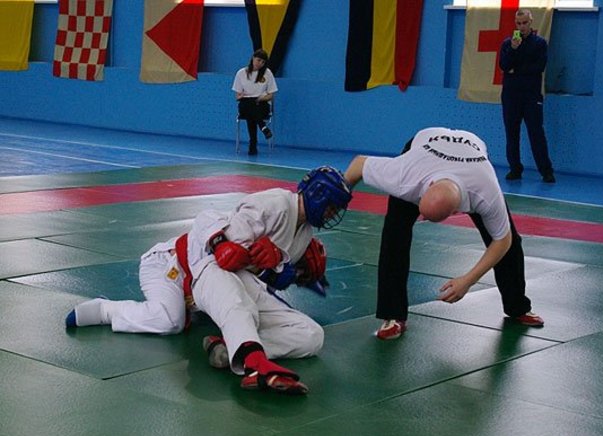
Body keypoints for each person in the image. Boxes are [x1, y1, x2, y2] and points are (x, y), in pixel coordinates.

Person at [65, 166, 353, 395]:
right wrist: (229, 246)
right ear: (318, 194)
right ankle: (105, 310)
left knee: (311, 335)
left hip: (221, 281)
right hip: (175, 266)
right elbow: (223, 251)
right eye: (332, 206)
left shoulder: (303, 235)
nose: (333, 214)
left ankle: (229, 348)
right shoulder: (274, 204)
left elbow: (263, 277)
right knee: (170, 320)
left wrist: (284, 268)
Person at [343, 127, 545, 341]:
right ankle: (393, 315)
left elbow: (503, 241)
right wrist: (338, 198)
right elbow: (359, 164)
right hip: (423, 151)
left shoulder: (485, 191)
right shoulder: (404, 176)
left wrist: (468, 280)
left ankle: (517, 307)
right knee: (395, 235)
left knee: (510, 242)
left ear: (458, 211)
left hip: (470, 157)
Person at [500, 9, 555, 183]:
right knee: (512, 133)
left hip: (531, 96)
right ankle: (515, 168)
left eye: (524, 23)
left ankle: (546, 171)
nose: (521, 26)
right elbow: (504, 66)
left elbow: (538, 67)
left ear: (531, 22)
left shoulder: (539, 43)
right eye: (518, 23)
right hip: (511, 95)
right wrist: (513, 50)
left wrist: (516, 70)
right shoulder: (508, 44)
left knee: (536, 133)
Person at [232, 48, 277, 156]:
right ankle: (263, 127)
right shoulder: (241, 73)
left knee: (252, 111)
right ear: (253, 58)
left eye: (263, 62)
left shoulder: (267, 73)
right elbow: (237, 96)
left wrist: (261, 98)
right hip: (246, 102)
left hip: (261, 103)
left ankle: (253, 144)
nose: (260, 63)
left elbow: (271, 95)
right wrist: (242, 96)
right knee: (249, 105)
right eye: (258, 60)